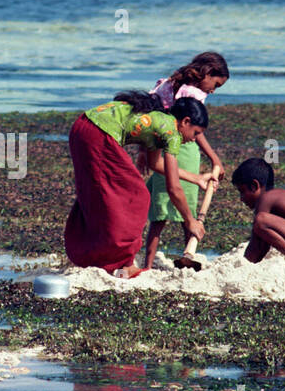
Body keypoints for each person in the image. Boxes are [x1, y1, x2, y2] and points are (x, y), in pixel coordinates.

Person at [65, 92, 208, 277]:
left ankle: (92, 254)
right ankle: (124, 262)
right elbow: (173, 188)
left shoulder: (162, 121)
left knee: (97, 195)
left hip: (82, 126)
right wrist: (190, 221)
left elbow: (155, 164)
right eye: (196, 132)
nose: (195, 139)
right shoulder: (171, 132)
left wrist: (196, 178)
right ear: (185, 122)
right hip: (99, 133)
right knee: (138, 196)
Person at [143, 52, 230, 268]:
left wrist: (145, 151)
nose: (213, 90)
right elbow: (194, 130)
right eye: (216, 84)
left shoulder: (172, 83)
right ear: (207, 73)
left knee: (159, 211)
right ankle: (186, 254)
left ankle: (148, 262)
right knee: (185, 207)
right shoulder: (192, 94)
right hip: (182, 148)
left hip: (162, 145)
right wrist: (215, 159)